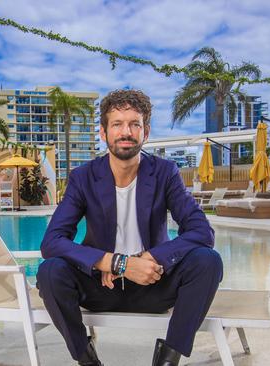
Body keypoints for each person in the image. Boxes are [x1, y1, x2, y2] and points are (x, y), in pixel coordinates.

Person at [37, 89, 223, 366]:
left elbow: (202, 232)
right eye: (117, 124)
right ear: (103, 132)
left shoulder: (165, 172)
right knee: (50, 271)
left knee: (208, 261)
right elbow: (52, 242)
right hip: (101, 287)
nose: (126, 132)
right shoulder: (83, 178)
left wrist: (150, 258)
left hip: (154, 283)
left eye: (134, 124)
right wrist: (114, 263)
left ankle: (168, 360)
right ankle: (86, 359)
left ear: (145, 132)